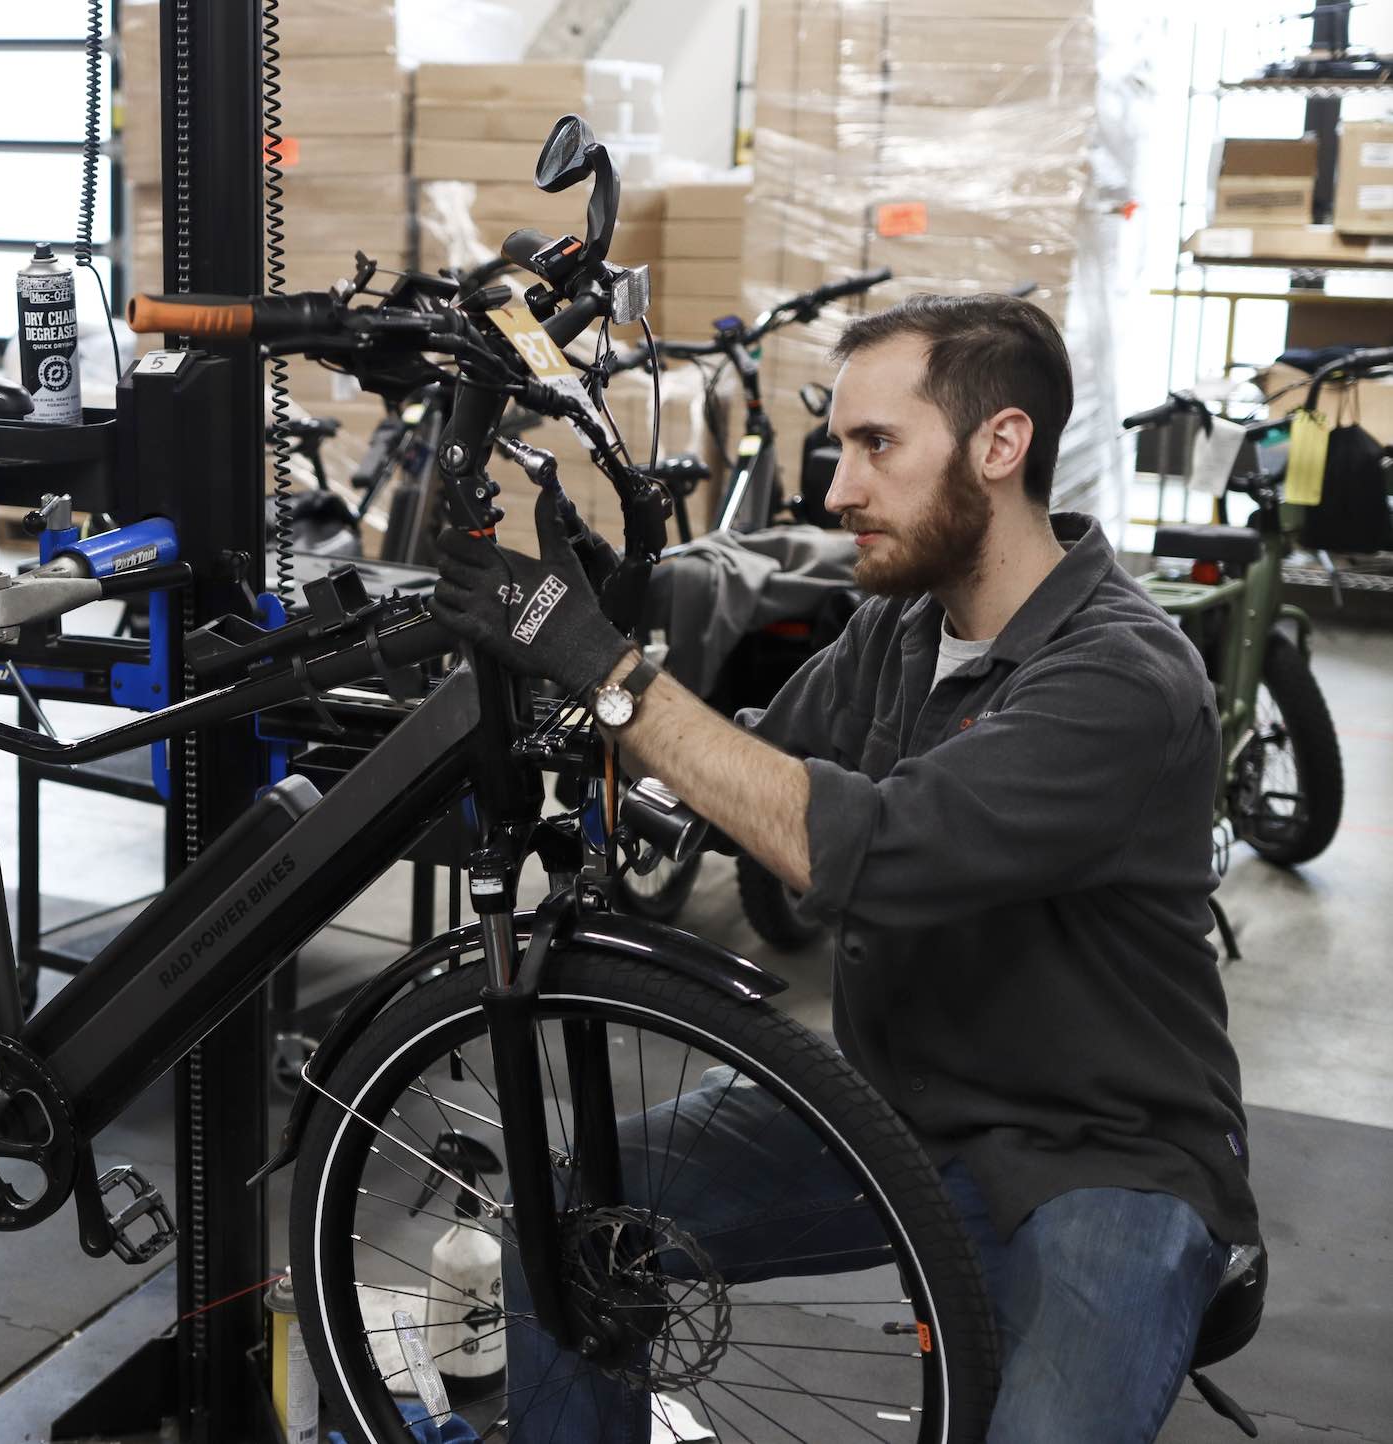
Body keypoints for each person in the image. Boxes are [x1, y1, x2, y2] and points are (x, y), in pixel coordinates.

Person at [430, 293, 1258, 1442]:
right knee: (567, 1219)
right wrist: (614, 648)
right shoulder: (903, 628)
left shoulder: (1124, 678)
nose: (837, 489)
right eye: (837, 447)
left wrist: (601, 666)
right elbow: (755, 771)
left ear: (1000, 445)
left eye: (877, 446)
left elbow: (860, 845)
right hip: (899, 1106)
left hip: (1100, 1155)